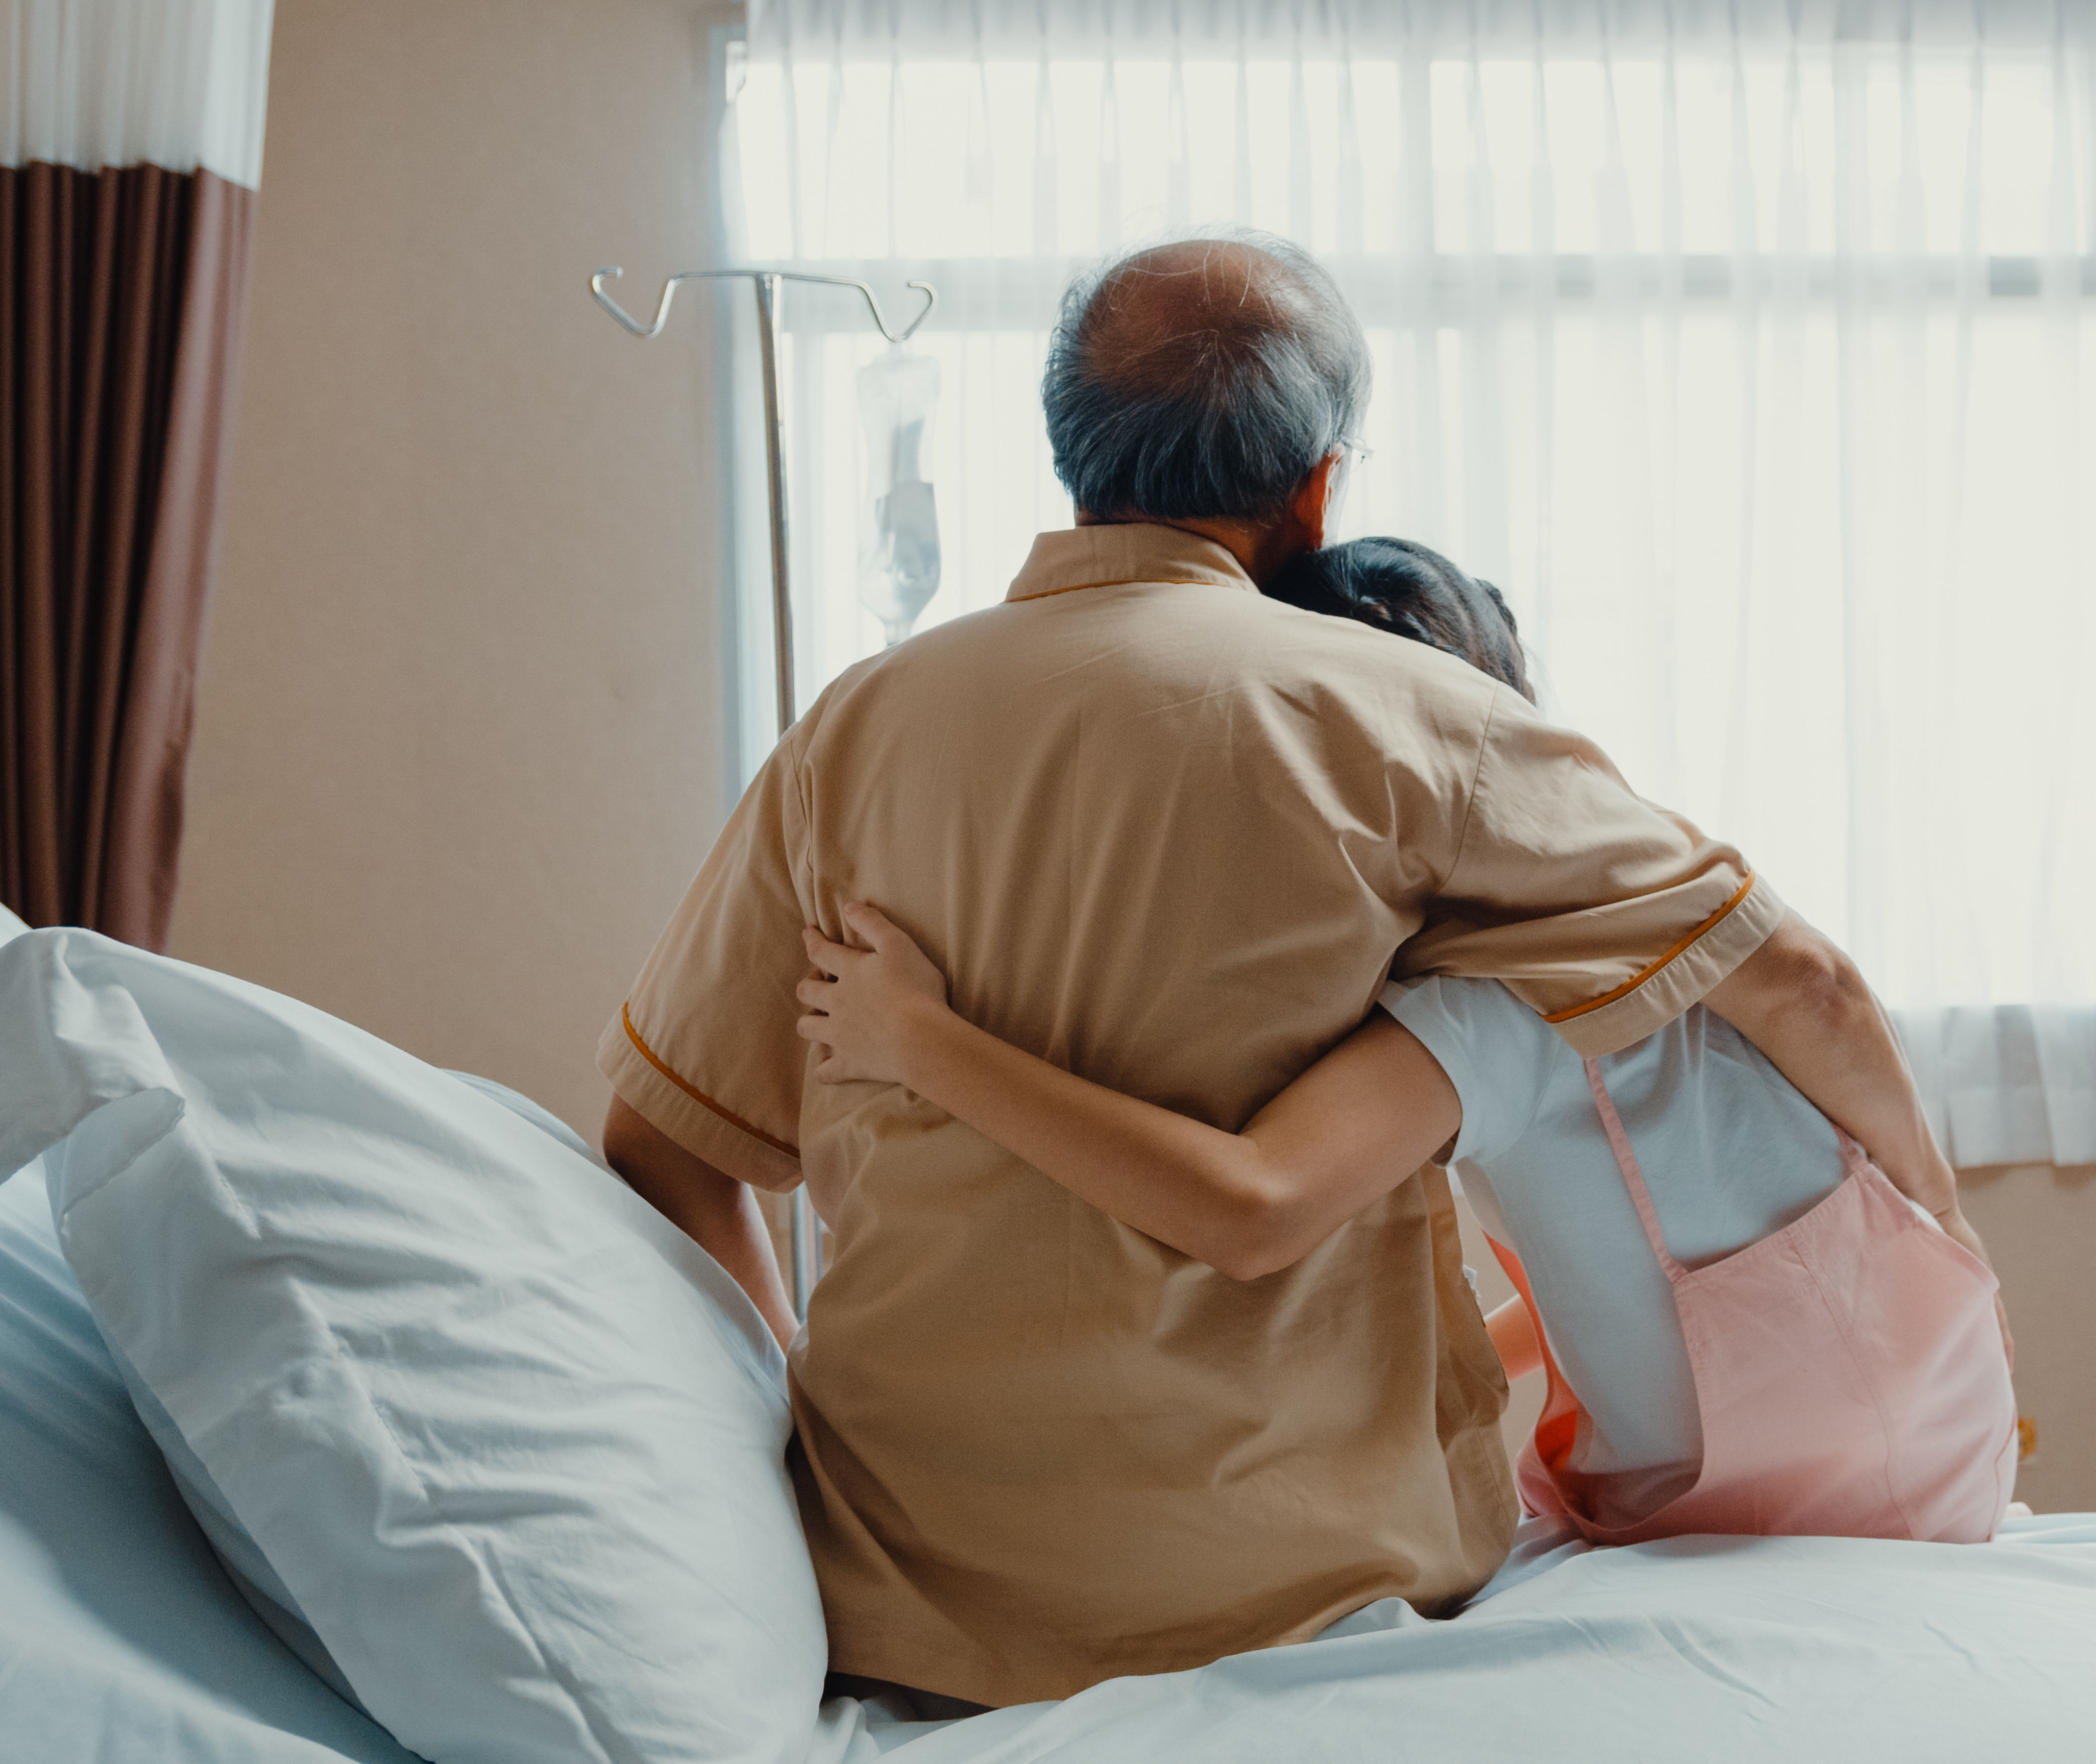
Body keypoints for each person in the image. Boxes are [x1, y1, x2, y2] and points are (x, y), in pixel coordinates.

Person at [595, 230, 1953, 1711]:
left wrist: (800, 1434)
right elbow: (1800, 987)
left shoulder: (849, 736)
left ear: (1070, 454)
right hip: (1317, 1593)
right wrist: (1946, 1264)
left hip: (914, 1607)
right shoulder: (1416, 722)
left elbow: (664, 1146)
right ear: (1318, 487)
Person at [794, 537, 2016, 1551]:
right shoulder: (1638, 908)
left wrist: (919, 1038)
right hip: (1929, 1412)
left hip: (1807, 1502)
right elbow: (1694, 1209)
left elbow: (1252, 1207)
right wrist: (1942, 1232)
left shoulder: (1495, 1005)